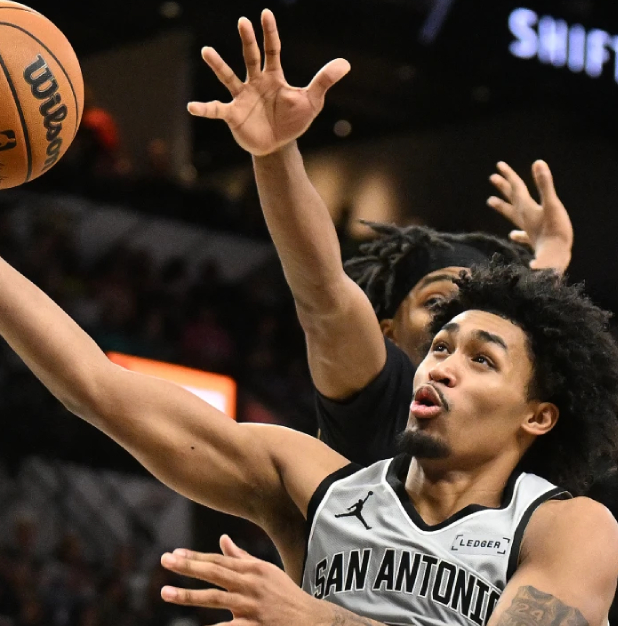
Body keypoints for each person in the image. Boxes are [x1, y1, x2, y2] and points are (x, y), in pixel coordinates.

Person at [0, 55, 618, 626]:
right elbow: (94, 386)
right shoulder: (322, 487)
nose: (440, 362)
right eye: (439, 342)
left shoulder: (569, 528)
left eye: (479, 358)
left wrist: (315, 621)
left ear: (539, 415)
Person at [189, 10, 575, 465]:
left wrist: (554, 250)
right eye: (437, 304)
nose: (460, 324)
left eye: (478, 317)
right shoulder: (383, 392)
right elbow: (322, 290)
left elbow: (523, 318)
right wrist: (275, 153)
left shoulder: (506, 433)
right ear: (387, 333)